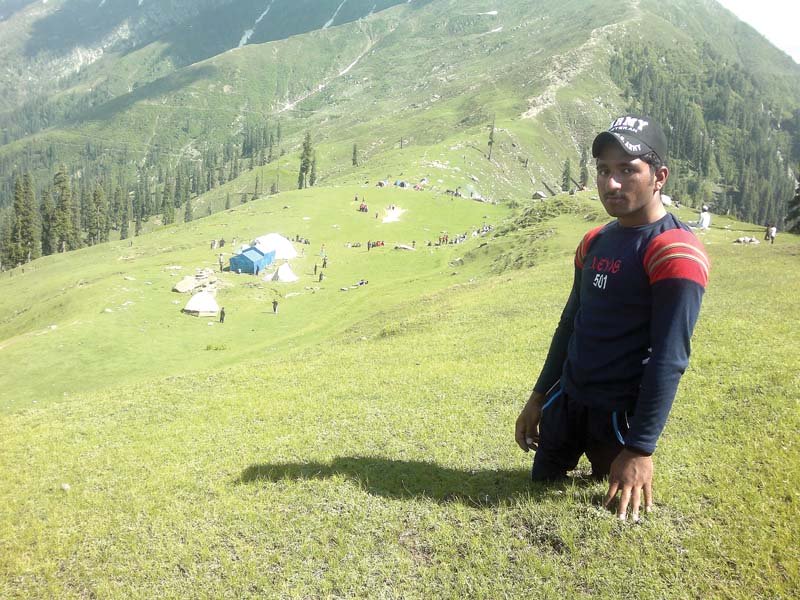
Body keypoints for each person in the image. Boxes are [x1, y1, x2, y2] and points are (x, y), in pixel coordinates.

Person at [515, 114, 709, 521]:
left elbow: (669, 358)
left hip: (618, 417)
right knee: (541, 484)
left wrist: (640, 449)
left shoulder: (674, 251)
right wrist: (537, 397)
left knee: (611, 500)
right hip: (567, 402)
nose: (612, 183)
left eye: (627, 169)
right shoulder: (594, 240)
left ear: (659, 177)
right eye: (604, 170)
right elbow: (570, 324)